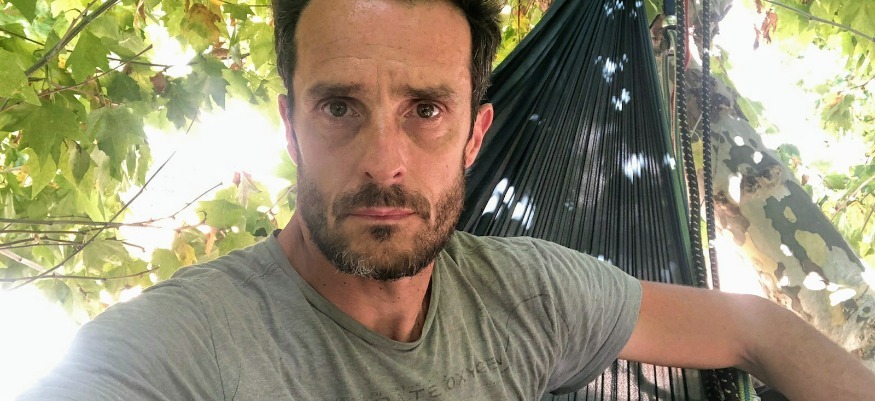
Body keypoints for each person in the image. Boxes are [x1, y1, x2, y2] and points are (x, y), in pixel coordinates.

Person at [19, 0, 875, 400]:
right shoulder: (175, 352)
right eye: (339, 107)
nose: (384, 163)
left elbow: (754, 326)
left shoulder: (525, 295)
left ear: (474, 133)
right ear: (291, 127)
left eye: (425, 110)